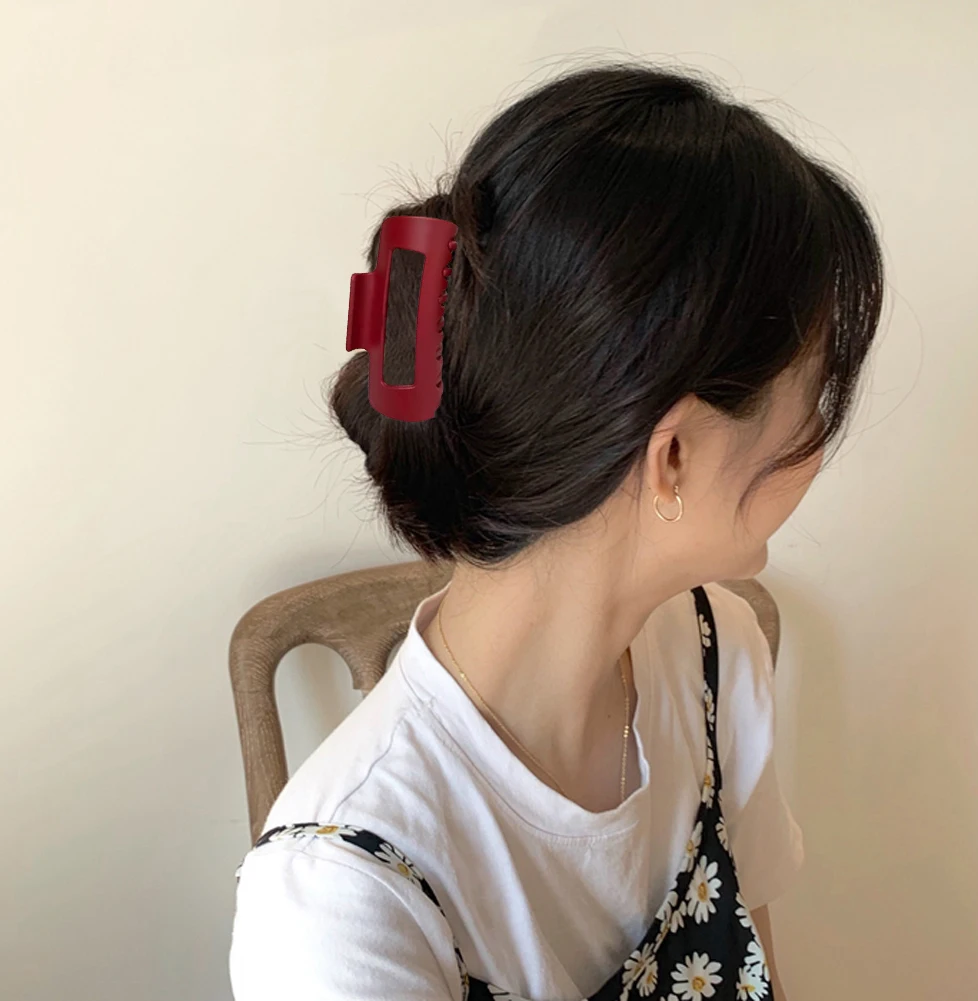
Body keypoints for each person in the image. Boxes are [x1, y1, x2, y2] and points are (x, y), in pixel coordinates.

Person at [229, 60, 884, 1001]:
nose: (817, 441)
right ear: (672, 458)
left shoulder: (716, 654)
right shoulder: (337, 904)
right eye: (811, 396)